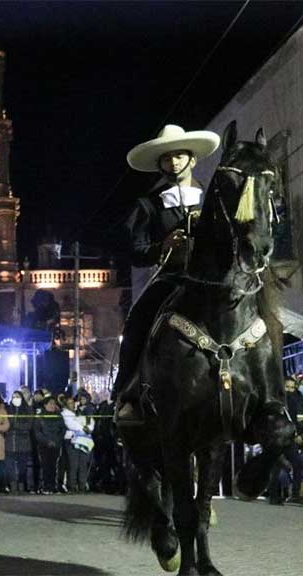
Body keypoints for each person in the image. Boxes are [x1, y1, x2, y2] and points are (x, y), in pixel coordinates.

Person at [113, 125, 221, 422]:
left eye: (179, 156)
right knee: (137, 321)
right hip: (172, 278)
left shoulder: (212, 199)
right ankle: (127, 391)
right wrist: (163, 245)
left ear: (192, 160)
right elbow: (136, 251)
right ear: (160, 164)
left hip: (212, 279)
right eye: (167, 158)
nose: (173, 163)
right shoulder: (148, 205)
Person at [62, 394, 94, 493]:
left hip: (84, 441)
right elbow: (71, 424)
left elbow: (90, 421)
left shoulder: (81, 412)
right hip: (71, 441)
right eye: (70, 403)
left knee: (83, 464)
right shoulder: (64, 413)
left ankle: (82, 486)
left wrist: (88, 428)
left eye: (73, 403)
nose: (72, 405)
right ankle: (72, 486)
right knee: (73, 465)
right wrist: (83, 428)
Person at [33, 396, 65, 494]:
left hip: (56, 444)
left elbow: (62, 430)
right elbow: (37, 432)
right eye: (50, 403)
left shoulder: (59, 416)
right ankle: (45, 486)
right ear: (45, 405)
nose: (52, 405)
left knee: (54, 466)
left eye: (53, 403)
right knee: (45, 466)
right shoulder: (40, 417)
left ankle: (53, 486)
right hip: (43, 445)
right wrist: (47, 441)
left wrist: (57, 441)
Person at [4, 391, 34, 494]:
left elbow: (28, 426)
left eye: (18, 396)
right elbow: (6, 424)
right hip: (9, 443)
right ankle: (13, 486)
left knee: (22, 467)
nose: (16, 398)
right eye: (13, 397)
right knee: (10, 467)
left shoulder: (27, 410)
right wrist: (13, 425)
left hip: (24, 444)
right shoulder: (7, 409)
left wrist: (15, 425)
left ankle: (21, 486)